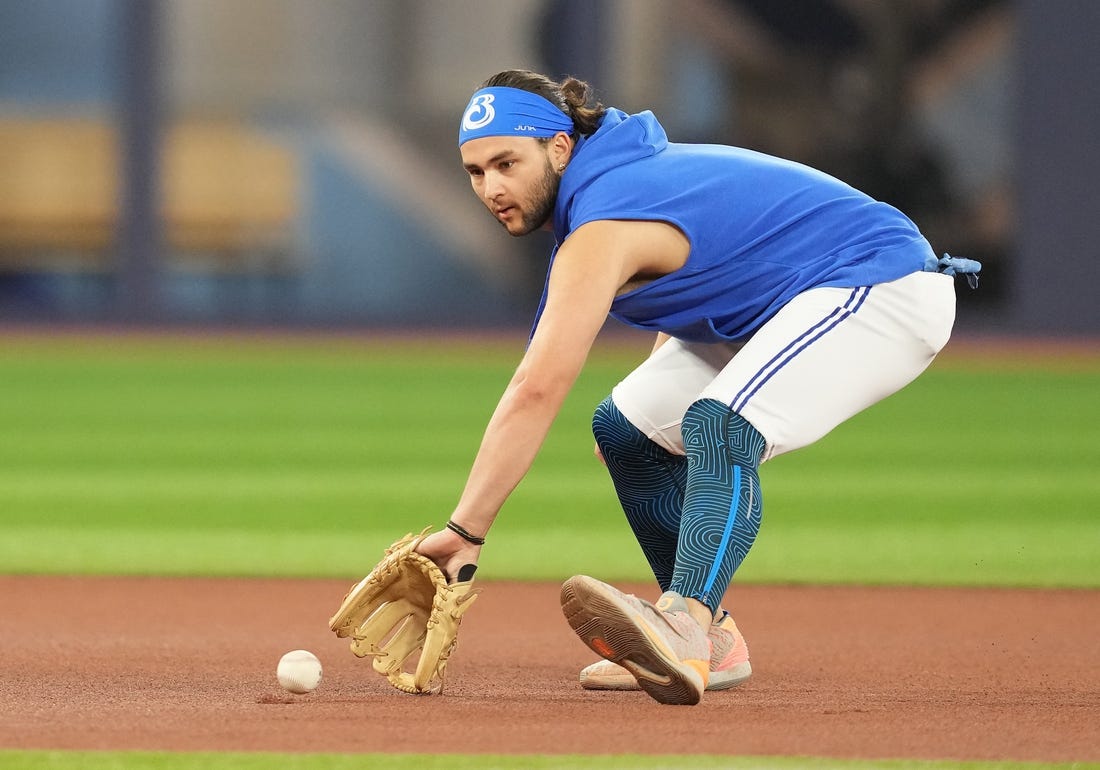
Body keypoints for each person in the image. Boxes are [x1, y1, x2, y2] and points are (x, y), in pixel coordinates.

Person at [415, 69, 980, 706]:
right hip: (786, 298)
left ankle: (685, 619)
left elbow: (536, 388)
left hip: (882, 282)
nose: (491, 187)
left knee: (720, 424)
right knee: (625, 429)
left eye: (506, 162)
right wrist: (653, 415)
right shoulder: (612, 190)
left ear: (560, 148)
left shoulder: (604, 220)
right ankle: (714, 641)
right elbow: (703, 275)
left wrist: (466, 531)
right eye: (475, 171)